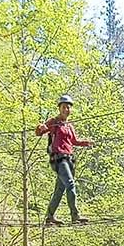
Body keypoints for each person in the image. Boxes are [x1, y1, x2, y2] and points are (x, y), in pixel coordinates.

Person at [34, 94, 95, 224]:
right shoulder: (53, 122)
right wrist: (40, 127)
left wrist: (86, 143)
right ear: (59, 108)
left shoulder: (69, 126)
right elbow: (39, 132)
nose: (66, 109)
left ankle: (50, 217)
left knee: (59, 190)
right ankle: (75, 215)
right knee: (70, 184)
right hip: (58, 159)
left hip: (69, 159)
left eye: (68, 107)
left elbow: (74, 141)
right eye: (64, 107)